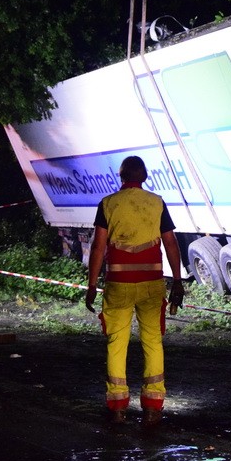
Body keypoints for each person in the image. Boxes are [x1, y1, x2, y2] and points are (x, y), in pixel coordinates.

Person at [84, 156, 184, 426]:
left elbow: (98, 246)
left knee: (117, 343)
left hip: (118, 284)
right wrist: (177, 279)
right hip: (151, 284)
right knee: (153, 342)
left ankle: (117, 406)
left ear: (121, 176)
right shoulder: (156, 202)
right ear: (145, 176)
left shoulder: (109, 204)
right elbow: (171, 243)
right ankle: (153, 406)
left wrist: (92, 284)